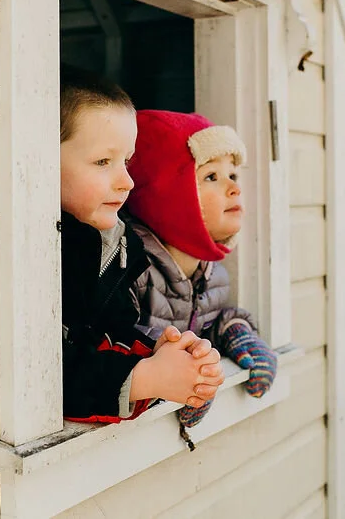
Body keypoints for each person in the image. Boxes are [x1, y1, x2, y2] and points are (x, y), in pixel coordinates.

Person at [59, 67, 225, 423]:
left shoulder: (119, 244)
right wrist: (145, 378)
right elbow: (46, 372)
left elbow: (111, 330)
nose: (127, 182)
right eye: (103, 162)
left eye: (127, 161)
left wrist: (158, 354)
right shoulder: (40, 252)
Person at [125, 110, 278, 431]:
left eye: (233, 175)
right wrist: (185, 364)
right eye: (211, 176)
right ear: (166, 196)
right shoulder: (129, 267)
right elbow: (118, 342)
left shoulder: (213, 274)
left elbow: (202, 321)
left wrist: (233, 329)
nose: (234, 188)